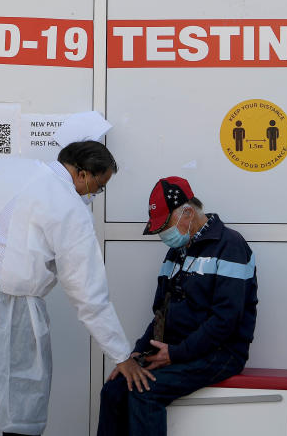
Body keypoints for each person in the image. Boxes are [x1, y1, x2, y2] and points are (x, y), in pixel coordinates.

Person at [0, 141, 151, 436]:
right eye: (99, 186)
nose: (94, 195)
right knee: (23, 405)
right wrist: (121, 355)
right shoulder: (70, 208)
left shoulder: (4, 168)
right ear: (83, 174)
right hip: (8, 307)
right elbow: (89, 295)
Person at [97, 177, 258, 436]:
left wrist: (176, 354)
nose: (163, 235)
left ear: (187, 212)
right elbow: (161, 313)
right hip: (177, 351)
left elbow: (226, 320)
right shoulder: (176, 252)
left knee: (145, 393)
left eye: (164, 226)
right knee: (115, 388)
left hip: (220, 353)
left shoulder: (231, 246)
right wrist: (135, 356)